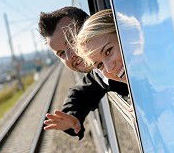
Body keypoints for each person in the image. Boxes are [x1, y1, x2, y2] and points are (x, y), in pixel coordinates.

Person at [38, 7, 128, 139]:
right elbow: (80, 93)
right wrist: (72, 118)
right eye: (62, 53)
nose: (69, 56)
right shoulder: (100, 73)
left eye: (72, 41)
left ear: (91, 26)